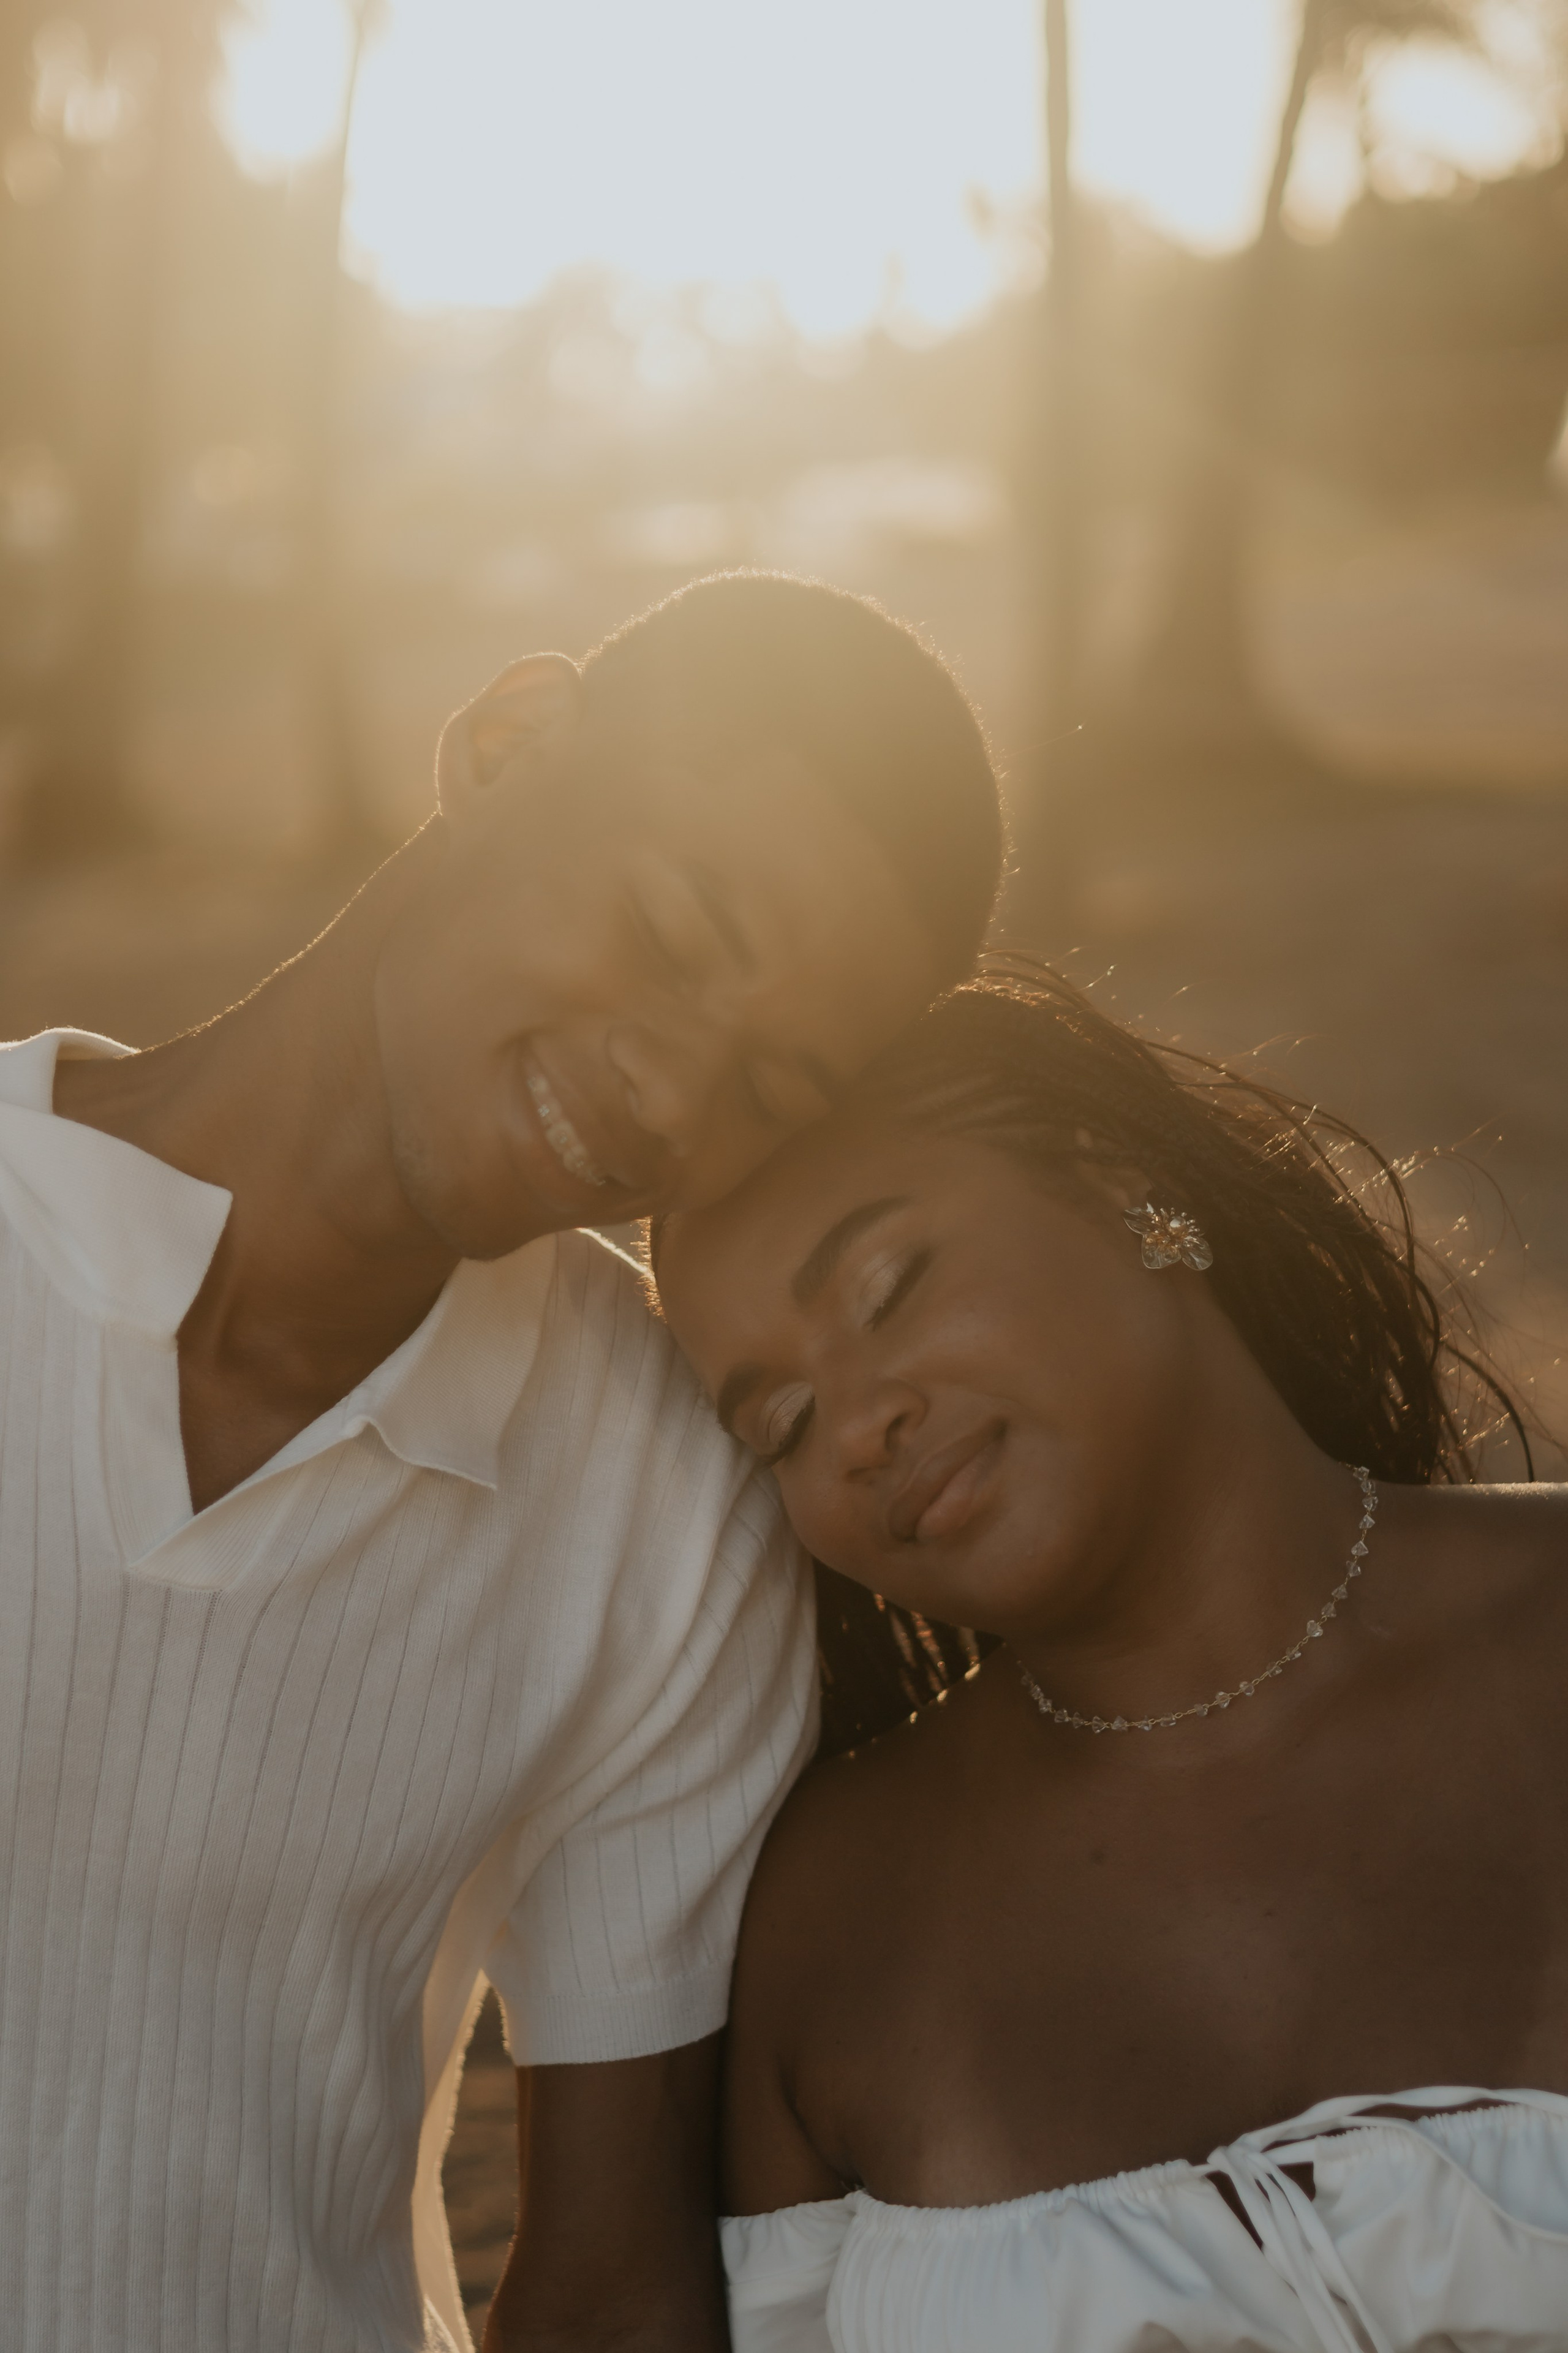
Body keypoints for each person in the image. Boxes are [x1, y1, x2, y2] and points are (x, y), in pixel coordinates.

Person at [0, 571, 1004, 2353]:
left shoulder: (666, 1505)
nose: (673, 1092)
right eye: (680, 929)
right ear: (511, 743)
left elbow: (615, 2286)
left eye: (771, 1083)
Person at [655, 962, 1568, 2353]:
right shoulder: (824, 1916)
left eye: (887, 1284)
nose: (853, 1426)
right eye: (776, 1420)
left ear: (1117, 1185)